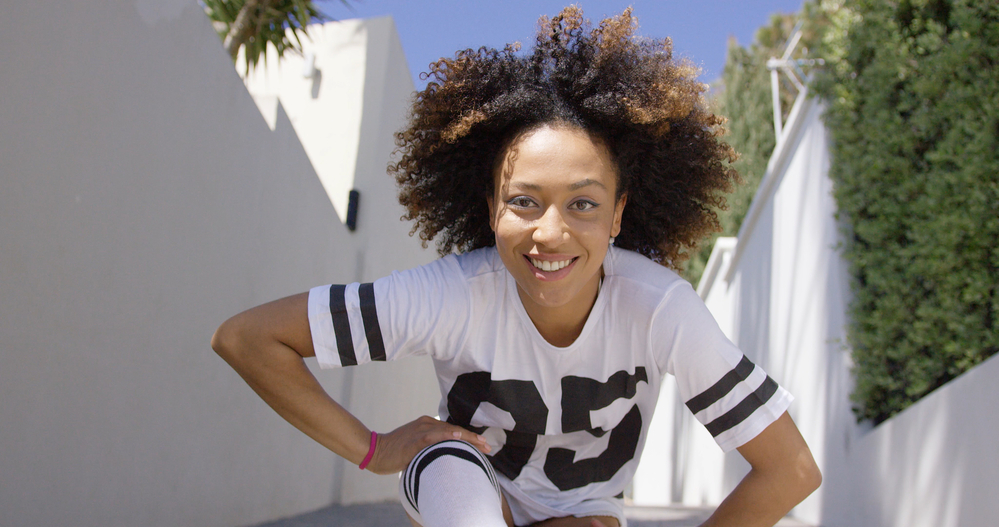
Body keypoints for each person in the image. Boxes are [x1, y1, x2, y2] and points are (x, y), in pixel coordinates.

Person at [212, 7, 821, 527]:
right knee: (450, 466)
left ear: (618, 215)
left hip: (591, 512)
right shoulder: (453, 294)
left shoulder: (659, 306)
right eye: (523, 201)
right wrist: (373, 449)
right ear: (490, 210)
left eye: (583, 203)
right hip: (473, 496)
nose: (550, 232)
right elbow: (247, 338)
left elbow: (790, 469)